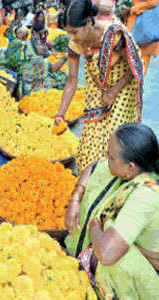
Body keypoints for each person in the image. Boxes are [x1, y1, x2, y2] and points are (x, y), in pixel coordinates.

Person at [65, 123, 159, 299]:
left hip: (137, 277)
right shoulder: (126, 170)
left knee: (118, 258)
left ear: (131, 167)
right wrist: (76, 198)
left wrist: (96, 223)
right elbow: (94, 167)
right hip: (108, 254)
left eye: (111, 156)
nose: (106, 156)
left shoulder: (146, 196)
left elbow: (107, 254)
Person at [55, 0, 144, 173]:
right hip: (97, 87)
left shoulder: (114, 34)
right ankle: (88, 180)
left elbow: (134, 67)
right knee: (89, 143)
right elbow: (72, 81)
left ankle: (111, 178)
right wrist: (60, 114)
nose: (72, 38)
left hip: (122, 87)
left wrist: (114, 91)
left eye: (74, 32)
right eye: (69, 33)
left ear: (88, 22)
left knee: (112, 140)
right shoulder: (75, 43)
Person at [17, 21, 68, 97]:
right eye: (40, 35)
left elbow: (45, 51)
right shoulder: (35, 59)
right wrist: (64, 58)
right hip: (30, 91)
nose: (42, 45)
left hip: (25, 86)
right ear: (34, 33)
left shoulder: (30, 46)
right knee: (50, 82)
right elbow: (54, 68)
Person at [118, 0, 159, 76]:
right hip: (133, 27)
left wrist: (132, 9)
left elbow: (153, 2)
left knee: (139, 70)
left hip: (144, 31)